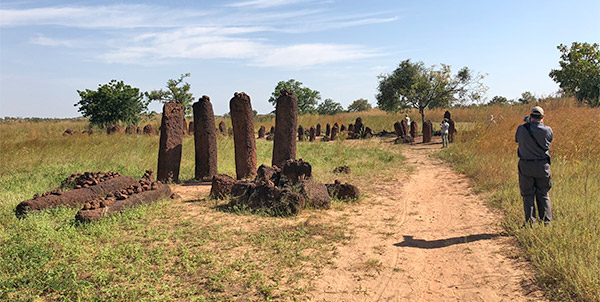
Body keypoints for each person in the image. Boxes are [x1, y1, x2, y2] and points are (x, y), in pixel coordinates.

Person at [515, 106, 553, 226]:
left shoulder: (521, 129)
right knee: (543, 194)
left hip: (526, 165)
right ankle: (546, 222)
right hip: (542, 166)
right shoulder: (547, 130)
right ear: (542, 117)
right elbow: (548, 140)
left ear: (531, 116)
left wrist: (528, 124)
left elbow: (518, 140)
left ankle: (530, 222)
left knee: (527, 194)